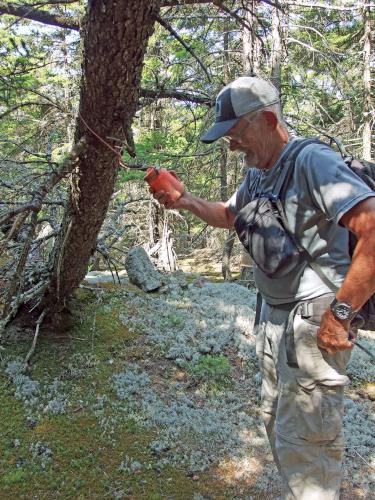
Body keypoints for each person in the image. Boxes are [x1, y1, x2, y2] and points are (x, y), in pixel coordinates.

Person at [152, 76, 375, 499]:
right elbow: (229, 215)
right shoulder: (257, 172)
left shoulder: (312, 162)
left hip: (314, 322)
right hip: (274, 321)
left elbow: (372, 228)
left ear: (268, 120)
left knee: (308, 444)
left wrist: (341, 314)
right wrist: (185, 200)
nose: (232, 146)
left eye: (236, 135)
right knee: (278, 424)